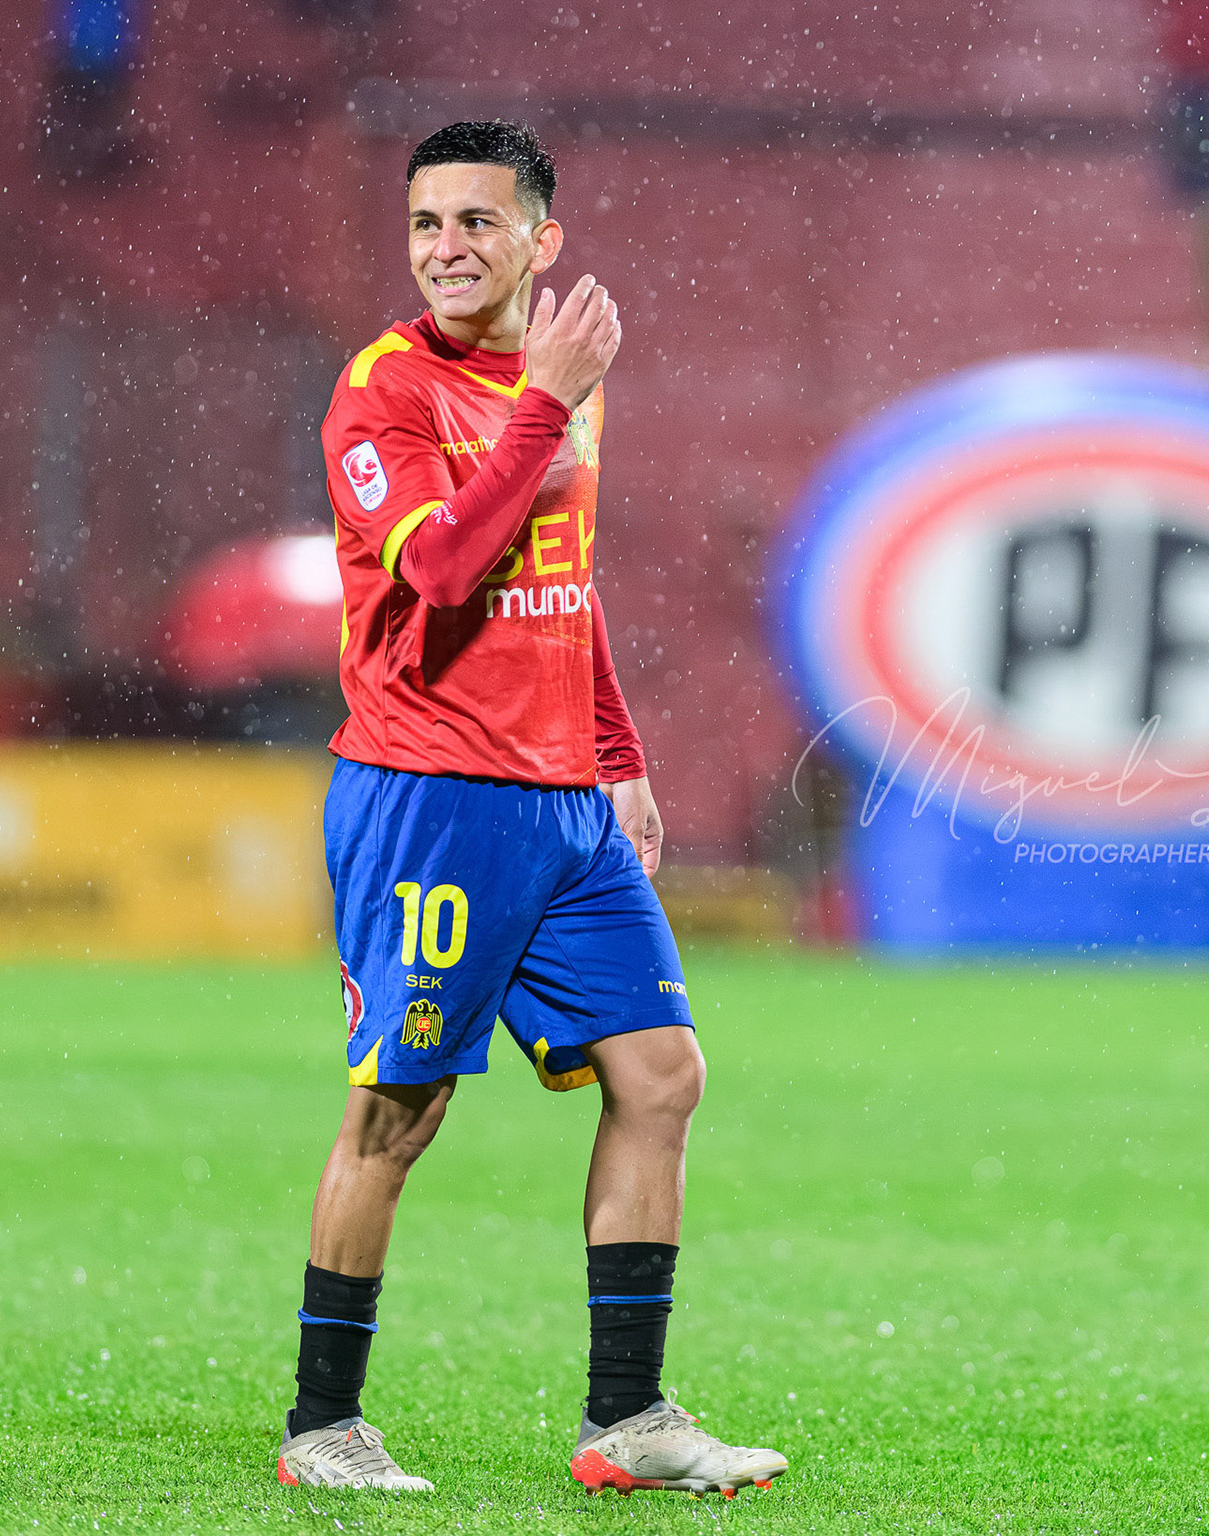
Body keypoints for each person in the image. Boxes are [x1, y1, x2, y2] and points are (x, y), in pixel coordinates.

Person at [273, 119, 788, 1499]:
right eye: (428, 224)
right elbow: (442, 568)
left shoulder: (558, 378)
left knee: (664, 1076)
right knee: (400, 1111)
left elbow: (561, 574)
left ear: (539, 240)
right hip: (431, 798)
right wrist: (546, 404)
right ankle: (322, 1426)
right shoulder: (381, 394)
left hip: (563, 802)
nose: (448, 249)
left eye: (479, 224)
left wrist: (617, 749)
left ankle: (628, 1420)